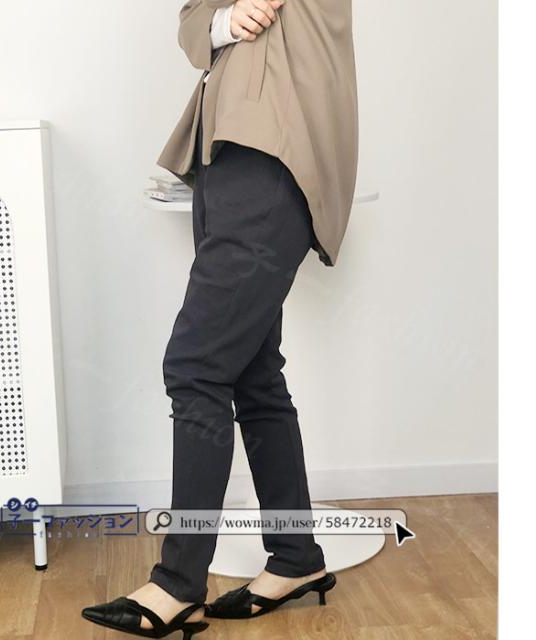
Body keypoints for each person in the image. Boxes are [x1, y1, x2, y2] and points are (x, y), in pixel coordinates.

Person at [82, 0, 358, 637]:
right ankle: (296, 557)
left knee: (196, 366)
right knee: (252, 373)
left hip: (276, 154)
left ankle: (178, 585)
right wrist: (224, 20)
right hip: (224, 156)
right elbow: (192, 23)